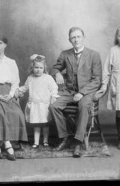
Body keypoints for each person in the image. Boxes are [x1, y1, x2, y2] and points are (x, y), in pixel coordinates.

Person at [49, 27, 102, 158]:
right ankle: (64, 137)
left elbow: (97, 80)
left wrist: (82, 93)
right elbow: (54, 69)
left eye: (78, 36)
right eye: (73, 37)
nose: (76, 39)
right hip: (69, 91)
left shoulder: (94, 55)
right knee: (53, 106)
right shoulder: (65, 54)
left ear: (83, 37)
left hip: (86, 92)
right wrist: (57, 74)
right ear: (69, 40)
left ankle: (78, 141)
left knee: (83, 106)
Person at [16, 54, 59, 148]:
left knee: (45, 124)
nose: (38, 70)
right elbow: (25, 87)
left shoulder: (48, 78)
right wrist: (19, 90)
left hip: (44, 105)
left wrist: (53, 96)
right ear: (32, 68)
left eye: (41, 67)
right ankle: (36, 142)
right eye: (36, 67)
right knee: (36, 124)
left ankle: (45, 141)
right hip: (35, 105)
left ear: (44, 68)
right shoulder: (30, 78)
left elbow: (54, 88)